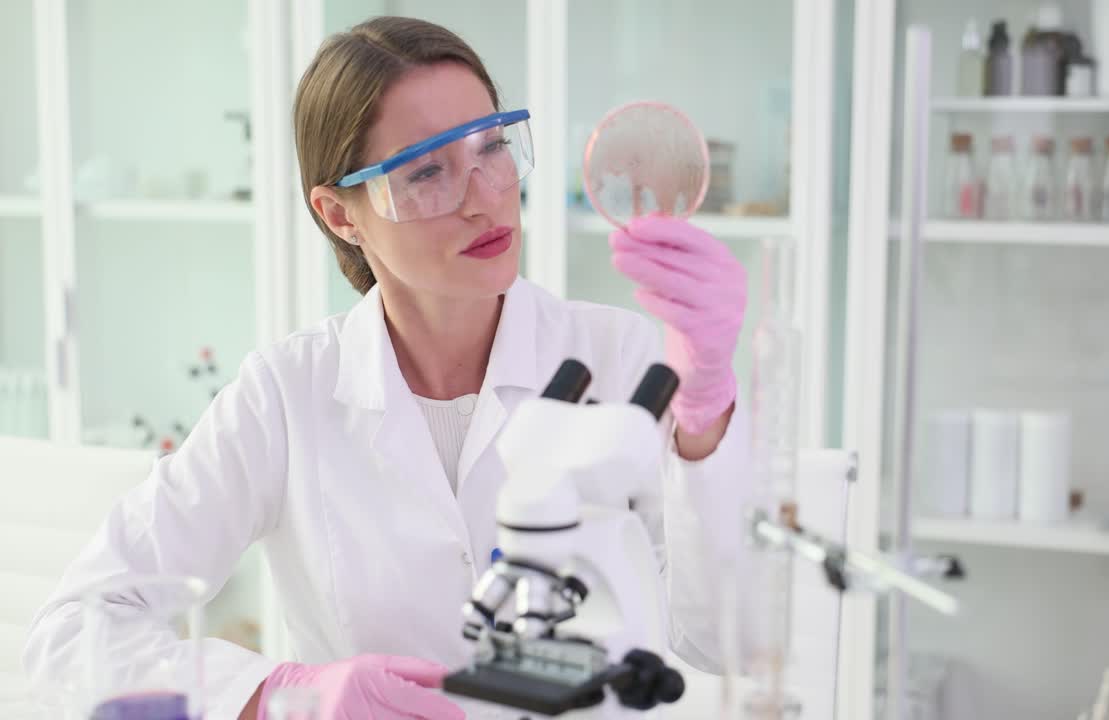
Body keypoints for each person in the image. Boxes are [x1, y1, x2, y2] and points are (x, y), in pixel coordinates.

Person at [23, 15, 750, 720]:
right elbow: (72, 633)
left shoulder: (622, 358)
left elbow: (721, 640)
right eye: (428, 170)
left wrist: (706, 419)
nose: (483, 198)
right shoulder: (287, 395)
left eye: (492, 148)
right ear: (341, 214)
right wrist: (286, 695)